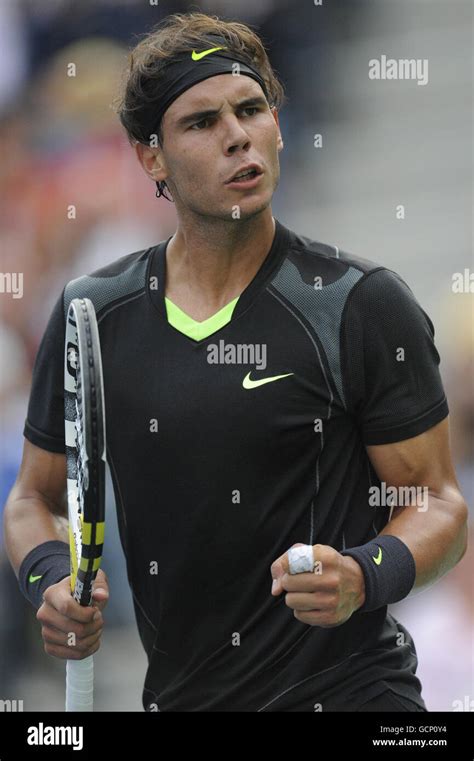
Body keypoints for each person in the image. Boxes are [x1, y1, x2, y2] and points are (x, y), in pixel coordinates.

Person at [3, 12, 468, 712]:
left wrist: (365, 574)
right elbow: (34, 498)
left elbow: (437, 501)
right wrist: (50, 580)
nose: (236, 136)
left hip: (351, 695)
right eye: (201, 123)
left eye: (251, 110)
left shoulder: (360, 303)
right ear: (150, 158)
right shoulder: (91, 314)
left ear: (277, 125)